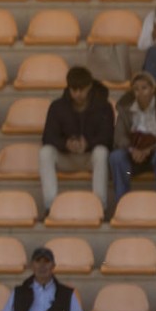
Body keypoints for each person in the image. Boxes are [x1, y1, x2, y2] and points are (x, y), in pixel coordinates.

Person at [37, 65, 113, 212]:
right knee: (45, 153)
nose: (78, 94)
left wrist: (88, 144)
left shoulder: (104, 107)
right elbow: (48, 136)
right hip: (66, 156)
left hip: (90, 156)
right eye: (74, 89)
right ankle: (50, 206)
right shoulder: (57, 106)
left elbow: (108, 136)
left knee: (101, 152)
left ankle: (100, 206)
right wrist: (66, 144)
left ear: (89, 86)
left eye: (81, 89)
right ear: (69, 88)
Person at [108, 72, 156, 214]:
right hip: (132, 162)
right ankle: (122, 204)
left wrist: (149, 150)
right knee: (116, 157)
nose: (140, 93)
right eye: (136, 89)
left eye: (144, 88)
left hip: (155, 158)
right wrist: (132, 150)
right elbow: (119, 137)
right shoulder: (125, 108)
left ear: (152, 89)